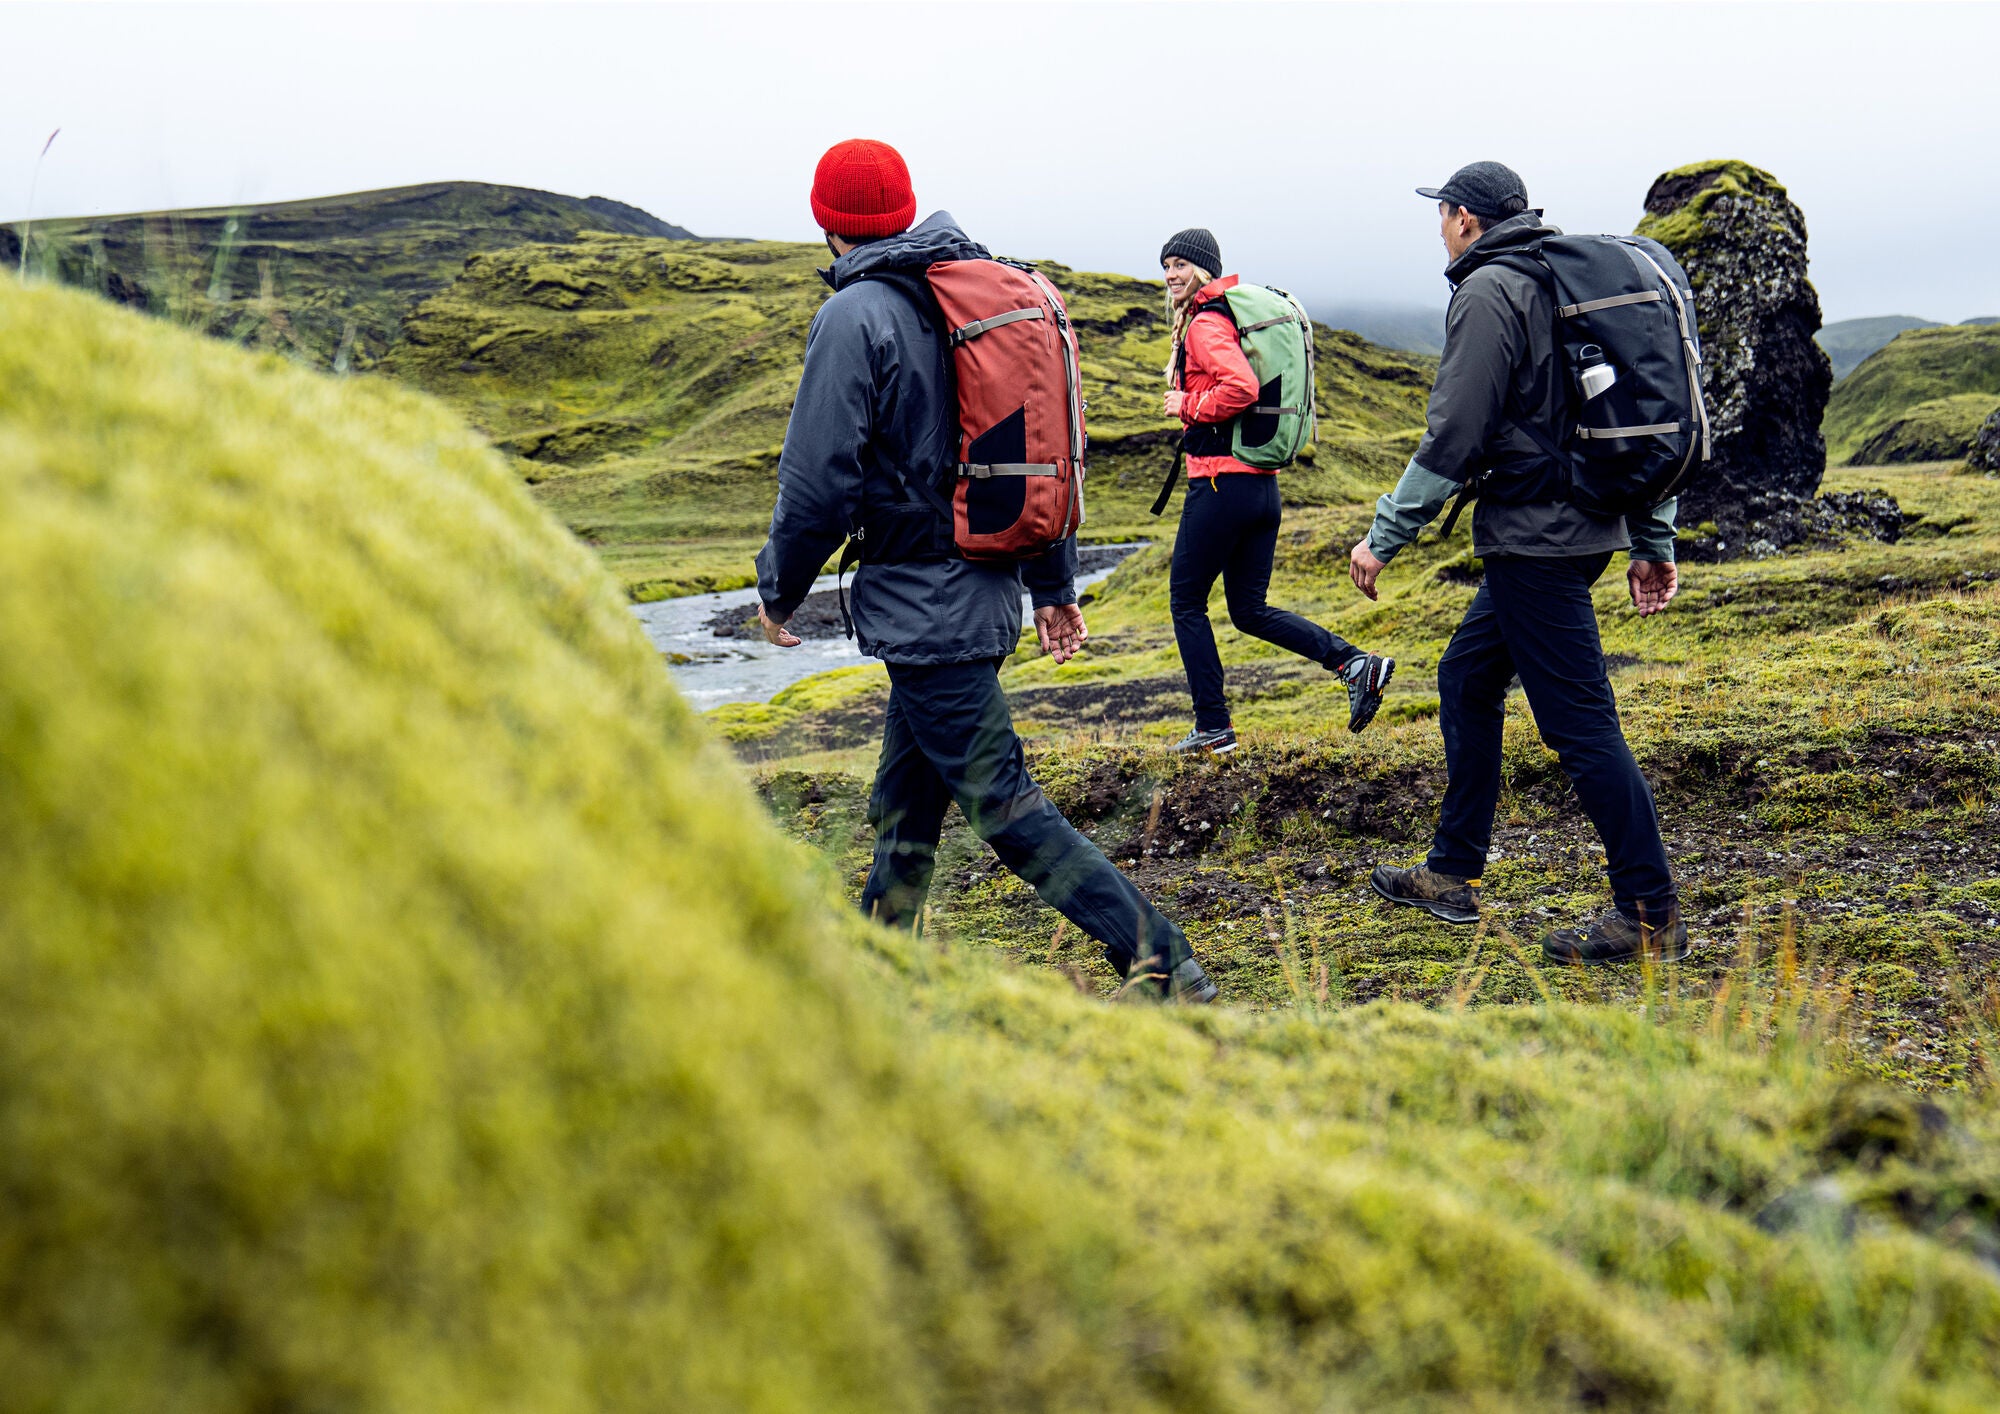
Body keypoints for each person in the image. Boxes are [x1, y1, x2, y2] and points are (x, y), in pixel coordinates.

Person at [754, 139, 1218, 1003]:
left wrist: (778, 588)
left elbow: (818, 480)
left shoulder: (856, 317)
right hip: (976, 594)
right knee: (905, 807)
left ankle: (1163, 965)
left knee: (1003, 807)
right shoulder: (973, 293)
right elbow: (1036, 446)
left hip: (927, 604)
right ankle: (872, 972)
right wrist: (1051, 584)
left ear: (826, 222)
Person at [1348, 163, 1687, 965]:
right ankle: (1452, 873)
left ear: (1464, 218)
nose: (1439, 227)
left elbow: (1455, 430)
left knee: (1581, 727)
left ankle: (1649, 913)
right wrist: (1649, 535)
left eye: (1442, 215)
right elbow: (1638, 407)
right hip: (1574, 531)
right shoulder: (1561, 280)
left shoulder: (1492, 288)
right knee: (1467, 677)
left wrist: (1385, 534)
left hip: (1538, 541)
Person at [1160, 227, 1396, 756]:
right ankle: (1355, 663)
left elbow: (1240, 387)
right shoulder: (1225, 318)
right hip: (1261, 490)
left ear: (1204, 269)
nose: (1171, 275)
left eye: (1180, 264)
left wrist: (1189, 407)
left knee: (1186, 603)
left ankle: (1213, 725)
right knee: (1248, 610)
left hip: (1221, 484)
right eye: (1166, 266)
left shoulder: (1206, 324)